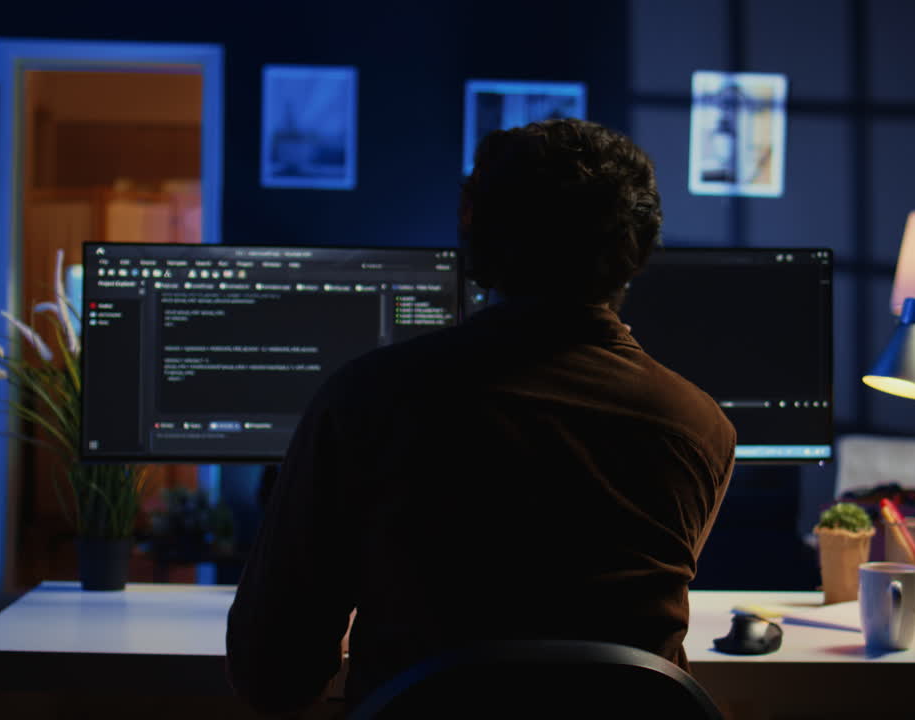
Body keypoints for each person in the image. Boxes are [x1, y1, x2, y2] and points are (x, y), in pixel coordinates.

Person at [226, 118, 736, 716]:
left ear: (474, 230)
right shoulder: (698, 427)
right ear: (640, 249)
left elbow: (271, 672)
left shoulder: (365, 399)